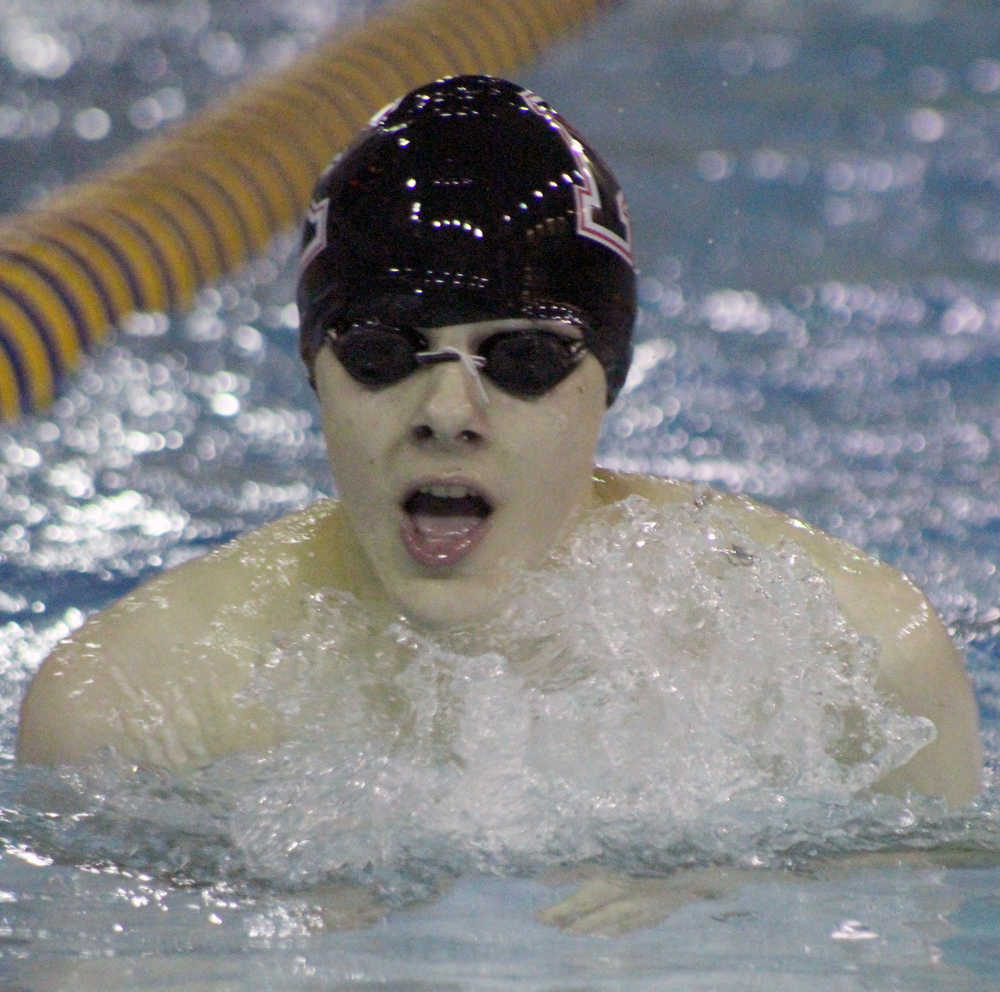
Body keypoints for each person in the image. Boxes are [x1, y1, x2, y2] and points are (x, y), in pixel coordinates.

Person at [18, 76, 981, 813]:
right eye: (382, 350)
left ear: (608, 378)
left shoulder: (853, 665)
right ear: (314, 369)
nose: (447, 408)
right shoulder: (133, 708)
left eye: (521, 358)